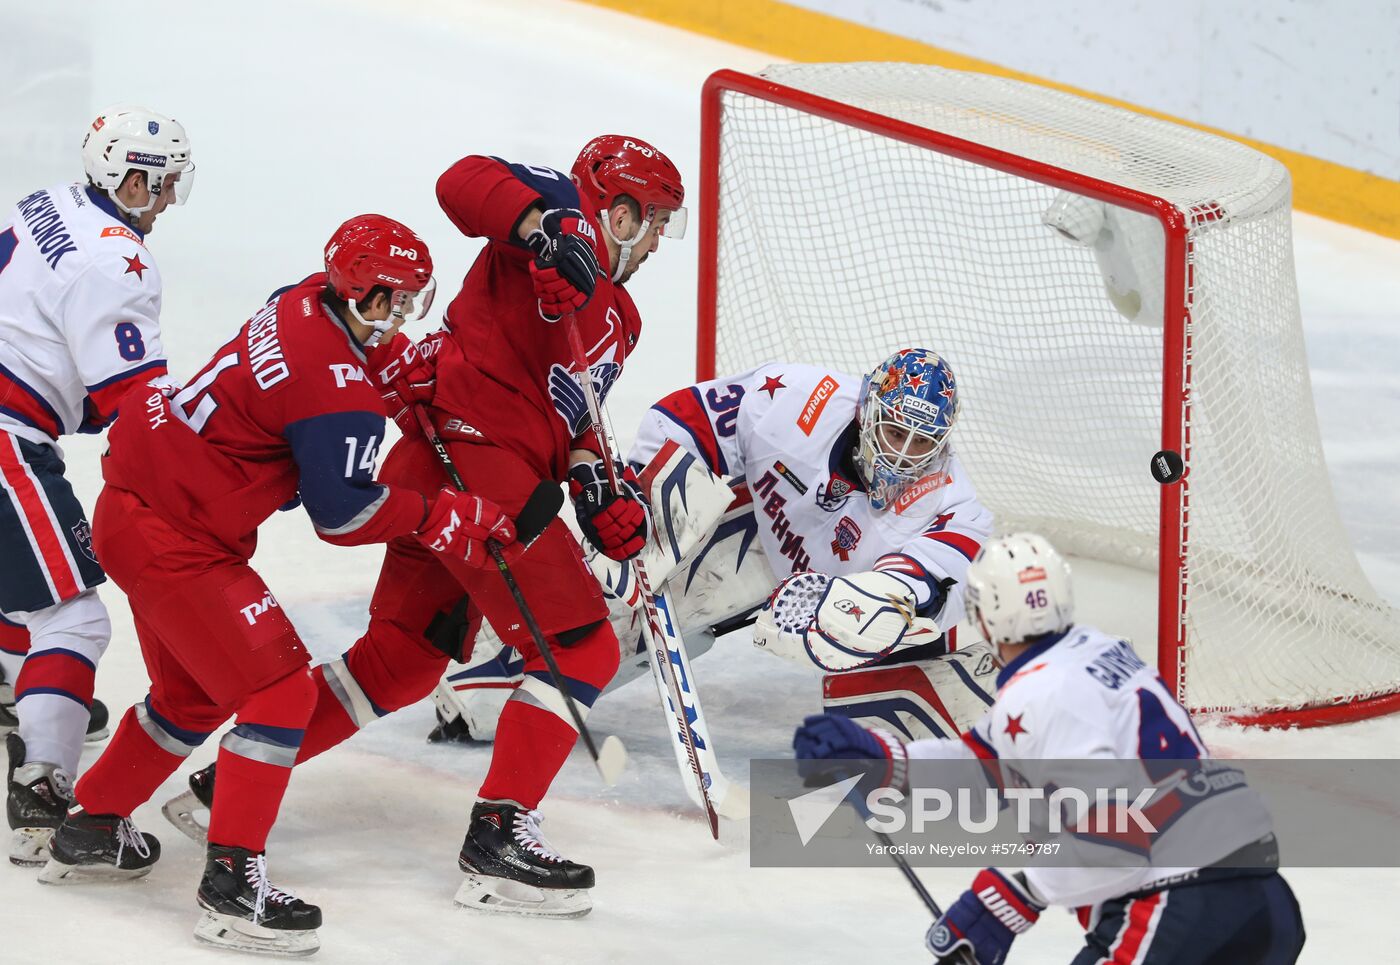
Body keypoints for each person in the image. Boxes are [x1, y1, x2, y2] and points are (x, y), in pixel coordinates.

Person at [166, 135, 687, 918]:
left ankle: (224, 787)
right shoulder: (555, 207)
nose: (656, 244)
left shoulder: (623, 316)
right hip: (473, 461)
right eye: (653, 223)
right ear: (617, 213)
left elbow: (571, 414)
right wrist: (546, 226)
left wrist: (591, 481)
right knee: (586, 644)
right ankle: (499, 841)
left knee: (404, 658)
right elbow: (461, 180)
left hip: (464, 468)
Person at [40, 215, 518, 957]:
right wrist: (442, 514)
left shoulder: (297, 299)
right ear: (354, 291)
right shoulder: (339, 391)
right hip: (178, 537)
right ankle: (231, 883)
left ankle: (92, 823)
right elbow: (343, 511)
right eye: (387, 303)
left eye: (406, 304)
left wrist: (380, 371)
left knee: (192, 695)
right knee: (281, 691)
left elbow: (297, 386)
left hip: (137, 507)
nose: (396, 319)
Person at [430, 348, 1000, 747]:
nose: (903, 455)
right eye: (895, 431)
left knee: (959, 675)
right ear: (867, 410)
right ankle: (490, 661)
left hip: (833, 588)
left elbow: (929, 584)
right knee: (648, 607)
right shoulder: (798, 402)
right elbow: (685, 417)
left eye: (922, 442)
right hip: (760, 537)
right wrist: (643, 496)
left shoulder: (955, 505)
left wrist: (856, 606)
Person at [794, 533, 1306, 964]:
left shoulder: (1041, 693)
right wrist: (889, 762)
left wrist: (1011, 896)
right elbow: (991, 766)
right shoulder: (1096, 652)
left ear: (984, 617)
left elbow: (1119, 844)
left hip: (1180, 909)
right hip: (1264, 899)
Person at [0, 105, 193, 865]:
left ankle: (21, 684)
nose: (171, 201)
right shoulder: (120, 260)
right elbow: (133, 409)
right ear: (131, 178)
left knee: (22, 575)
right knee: (74, 620)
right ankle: (42, 795)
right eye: (164, 183)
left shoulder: (47, 199)